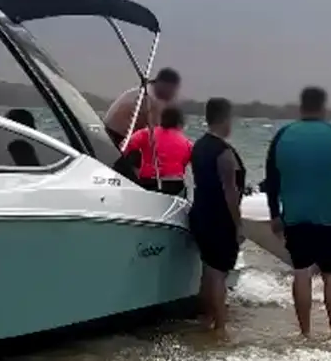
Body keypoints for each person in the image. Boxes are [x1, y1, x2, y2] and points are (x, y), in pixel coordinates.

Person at [264, 86, 331, 338]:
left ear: (301, 106)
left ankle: (305, 333)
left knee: (301, 272)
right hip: (329, 218)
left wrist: (275, 214)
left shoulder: (283, 135)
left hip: (295, 218)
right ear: (323, 107)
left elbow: (271, 180)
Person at [188, 98, 246, 334]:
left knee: (208, 270)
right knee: (218, 274)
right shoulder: (223, 152)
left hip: (200, 213)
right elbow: (229, 193)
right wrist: (239, 225)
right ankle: (220, 327)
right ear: (224, 119)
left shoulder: (199, 146)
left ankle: (207, 320)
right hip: (218, 219)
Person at [103, 67, 181, 148]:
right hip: (115, 137)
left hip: (117, 135)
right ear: (163, 85)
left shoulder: (148, 91)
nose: (173, 94)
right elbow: (157, 132)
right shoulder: (148, 98)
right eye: (172, 89)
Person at [123, 106, 192, 195]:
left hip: (148, 181)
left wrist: (136, 165)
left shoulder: (146, 134)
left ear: (161, 119)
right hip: (175, 184)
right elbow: (188, 161)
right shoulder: (186, 142)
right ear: (180, 122)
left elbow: (127, 146)